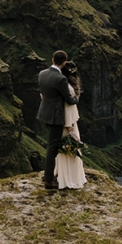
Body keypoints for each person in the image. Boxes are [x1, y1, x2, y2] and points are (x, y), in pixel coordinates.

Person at [36, 50, 78, 192]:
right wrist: (77, 98)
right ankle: (48, 180)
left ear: (53, 59)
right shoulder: (60, 79)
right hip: (55, 117)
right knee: (52, 148)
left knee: (52, 145)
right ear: (64, 63)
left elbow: (44, 93)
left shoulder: (42, 74)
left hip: (45, 114)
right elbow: (69, 99)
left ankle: (52, 174)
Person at [55, 60, 87, 189]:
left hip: (68, 123)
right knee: (71, 148)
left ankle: (67, 177)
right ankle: (72, 176)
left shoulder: (66, 86)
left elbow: (67, 107)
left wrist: (68, 126)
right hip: (72, 121)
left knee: (67, 149)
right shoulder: (73, 85)